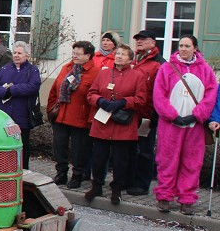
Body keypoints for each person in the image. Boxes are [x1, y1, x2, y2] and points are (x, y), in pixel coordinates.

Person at [152, 35, 218, 215]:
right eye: (180, 45)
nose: (183, 48)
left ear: (195, 48)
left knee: (191, 162)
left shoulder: (205, 70)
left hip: (194, 126)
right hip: (170, 125)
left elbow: (211, 96)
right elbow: (159, 94)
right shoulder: (167, 68)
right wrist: (171, 115)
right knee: (167, 160)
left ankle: (187, 199)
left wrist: (196, 116)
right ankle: (165, 196)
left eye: (187, 46)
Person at [85, 44, 147, 205]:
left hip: (123, 125)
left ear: (130, 58)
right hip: (102, 123)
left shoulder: (137, 76)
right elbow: (91, 93)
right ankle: (96, 185)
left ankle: (117, 189)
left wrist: (123, 102)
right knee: (98, 158)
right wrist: (100, 100)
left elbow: (141, 99)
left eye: (123, 54)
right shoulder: (104, 73)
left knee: (120, 160)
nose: (119, 56)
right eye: (117, 53)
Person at [46, 41, 99, 188]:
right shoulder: (67, 67)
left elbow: (95, 96)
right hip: (61, 116)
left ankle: (77, 176)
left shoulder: (95, 72)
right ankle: (61, 173)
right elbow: (54, 89)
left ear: (88, 55)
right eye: (73, 53)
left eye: (78, 53)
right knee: (59, 146)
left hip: (80, 119)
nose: (74, 56)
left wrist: (90, 119)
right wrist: (51, 109)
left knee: (78, 150)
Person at [0, 42, 42, 168]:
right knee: (3, 144)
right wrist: (3, 92)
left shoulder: (32, 70)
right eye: (15, 53)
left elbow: (33, 87)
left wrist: (13, 90)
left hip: (22, 114)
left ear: (27, 55)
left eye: (20, 53)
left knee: (22, 145)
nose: (16, 56)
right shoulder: (5, 69)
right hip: (4, 114)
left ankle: (23, 170)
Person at [128, 29, 166, 195]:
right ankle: (130, 180)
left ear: (153, 43)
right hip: (131, 112)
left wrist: (155, 115)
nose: (139, 41)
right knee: (130, 148)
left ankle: (142, 184)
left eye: (143, 39)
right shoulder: (134, 59)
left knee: (145, 150)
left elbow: (161, 91)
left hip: (147, 114)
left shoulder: (160, 63)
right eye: (137, 39)